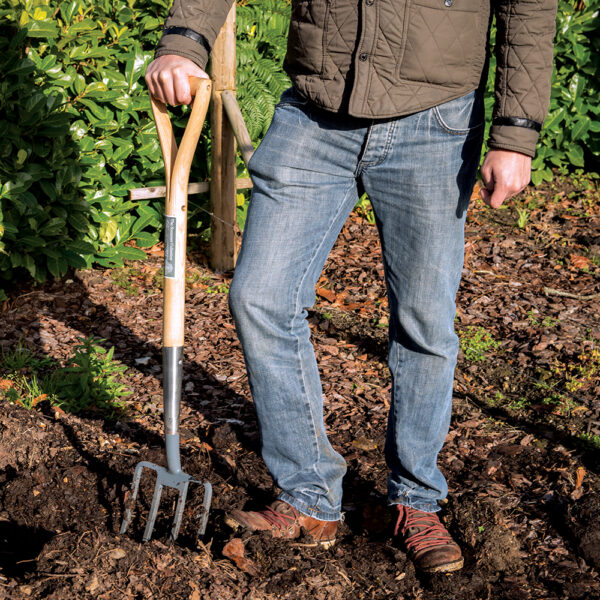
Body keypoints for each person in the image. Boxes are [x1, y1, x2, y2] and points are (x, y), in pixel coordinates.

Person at [146, 0, 557, 574]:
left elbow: (529, 11)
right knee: (260, 297)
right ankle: (310, 495)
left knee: (423, 324)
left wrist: (516, 131)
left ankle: (415, 499)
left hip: (435, 123)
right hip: (314, 114)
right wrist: (184, 42)